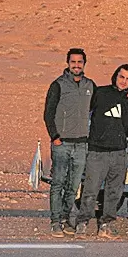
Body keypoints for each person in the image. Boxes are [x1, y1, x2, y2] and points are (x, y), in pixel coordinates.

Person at [74, 64, 128, 239]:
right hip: (97, 152)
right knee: (91, 189)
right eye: (121, 77)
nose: (124, 81)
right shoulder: (100, 93)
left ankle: (106, 225)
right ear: (115, 76)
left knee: (114, 192)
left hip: (119, 153)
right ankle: (82, 223)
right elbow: (83, 110)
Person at [43, 48, 96, 237]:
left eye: (80, 62)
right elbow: (48, 113)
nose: (76, 65)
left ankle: (65, 218)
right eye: (73, 62)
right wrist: (54, 136)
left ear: (84, 64)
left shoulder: (90, 86)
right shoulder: (58, 85)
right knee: (58, 183)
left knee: (73, 186)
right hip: (62, 143)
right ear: (68, 63)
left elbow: (98, 108)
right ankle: (55, 221)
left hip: (81, 144)